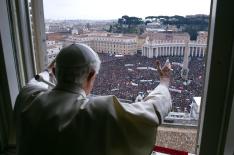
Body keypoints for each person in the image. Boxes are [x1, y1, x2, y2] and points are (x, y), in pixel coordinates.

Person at [14, 43, 172, 155]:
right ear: (91, 75)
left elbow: (35, 82)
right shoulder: (99, 111)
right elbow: (153, 110)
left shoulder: (27, 97)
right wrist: (164, 82)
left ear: (55, 72)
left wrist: (47, 71)